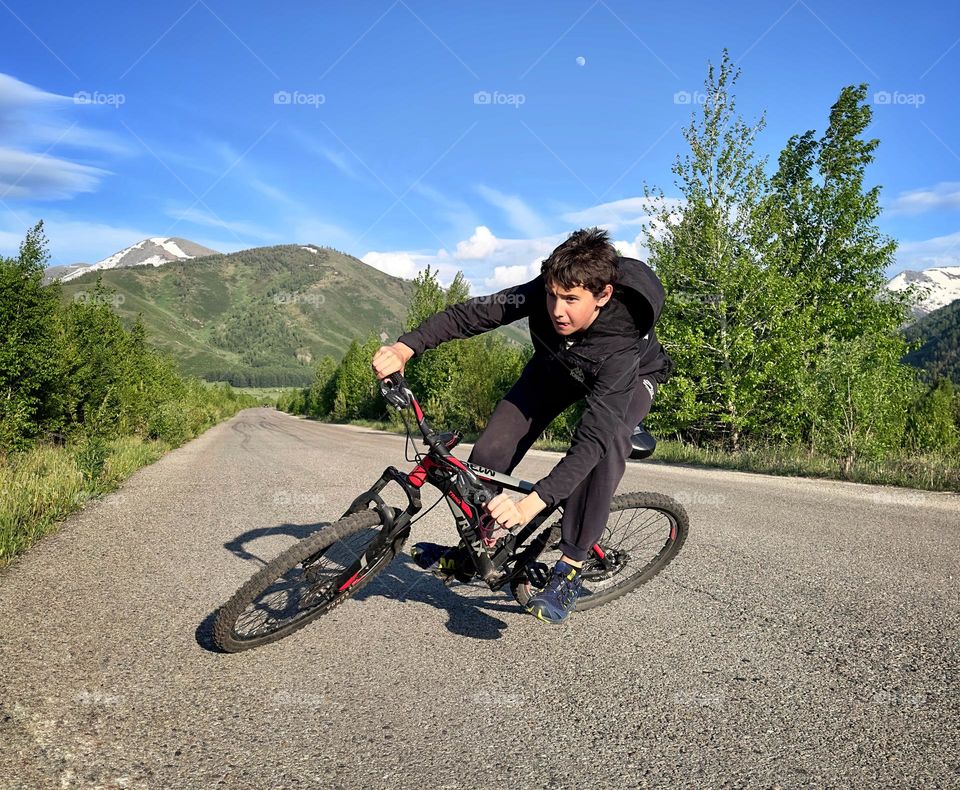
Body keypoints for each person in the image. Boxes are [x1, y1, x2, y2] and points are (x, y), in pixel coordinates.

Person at [371, 227, 671, 624]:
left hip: (629, 379)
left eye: (570, 300)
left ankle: (570, 568)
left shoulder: (620, 343)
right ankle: (479, 548)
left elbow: (592, 437)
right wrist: (404, 347)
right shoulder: (544, 292)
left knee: (607, 443)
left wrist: (534, 501)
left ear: (603, 296)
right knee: (489, 452)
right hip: (557, 368)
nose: (557, 310)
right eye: (551, 295)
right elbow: (471, 314)